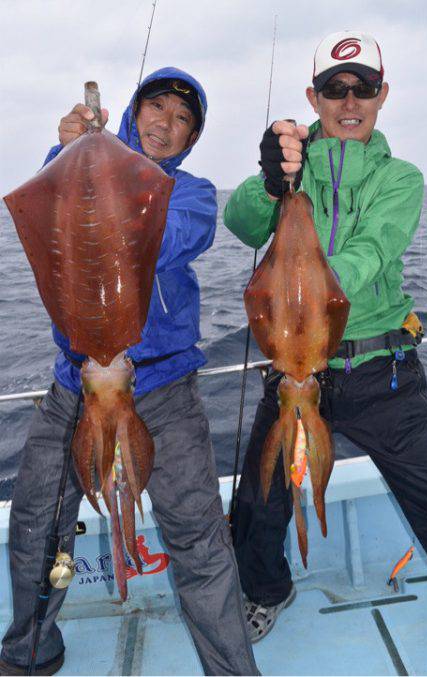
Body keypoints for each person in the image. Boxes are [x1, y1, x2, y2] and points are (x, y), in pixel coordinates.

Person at [0, 67, 259, 676]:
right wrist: (66, 154)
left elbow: (168, 238)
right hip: (76, 384)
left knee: (196, 531)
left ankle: (232, 670)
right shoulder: (69, 167)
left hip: (164, 388)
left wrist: (105, 177)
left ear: (191, 137)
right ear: (133, 112)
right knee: (38, 517)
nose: (164, 125)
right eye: (157, 108)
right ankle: (27, 651)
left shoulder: (190, 193)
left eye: (181, 120)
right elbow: (48, 216)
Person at [224, 31, 427, 642]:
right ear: (314, 96)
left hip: (384, 374)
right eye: (334, 88)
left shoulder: (402, 178)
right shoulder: (290, 167)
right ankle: (266, 590)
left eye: (363, 89)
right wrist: (271, 182)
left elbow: (375, 248)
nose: (349, 102)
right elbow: (242, 223)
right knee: (258, 501)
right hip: (296, 374)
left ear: (382, 96)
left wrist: (310, 288)